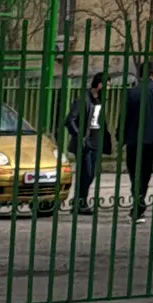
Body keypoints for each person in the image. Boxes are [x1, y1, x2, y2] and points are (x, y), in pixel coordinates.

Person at [122, 61, 153, 215]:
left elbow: (124, 117)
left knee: (134, 172)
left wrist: (121, 136)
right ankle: (140, 199)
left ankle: (138, 200)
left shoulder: (132, 92)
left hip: (133, 140)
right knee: (145, 171)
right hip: (151, 140)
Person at [65, 71, 109, 213]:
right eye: (107, 85)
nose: (108, 88)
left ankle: (81, 201)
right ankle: (79, 202)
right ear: (100, 85)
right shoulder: (83, 99)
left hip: (96, 142)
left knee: (91, 174)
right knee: (86, 173)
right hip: (84, 143)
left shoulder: (100, 100)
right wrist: (80, 136)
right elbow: (69, 120)